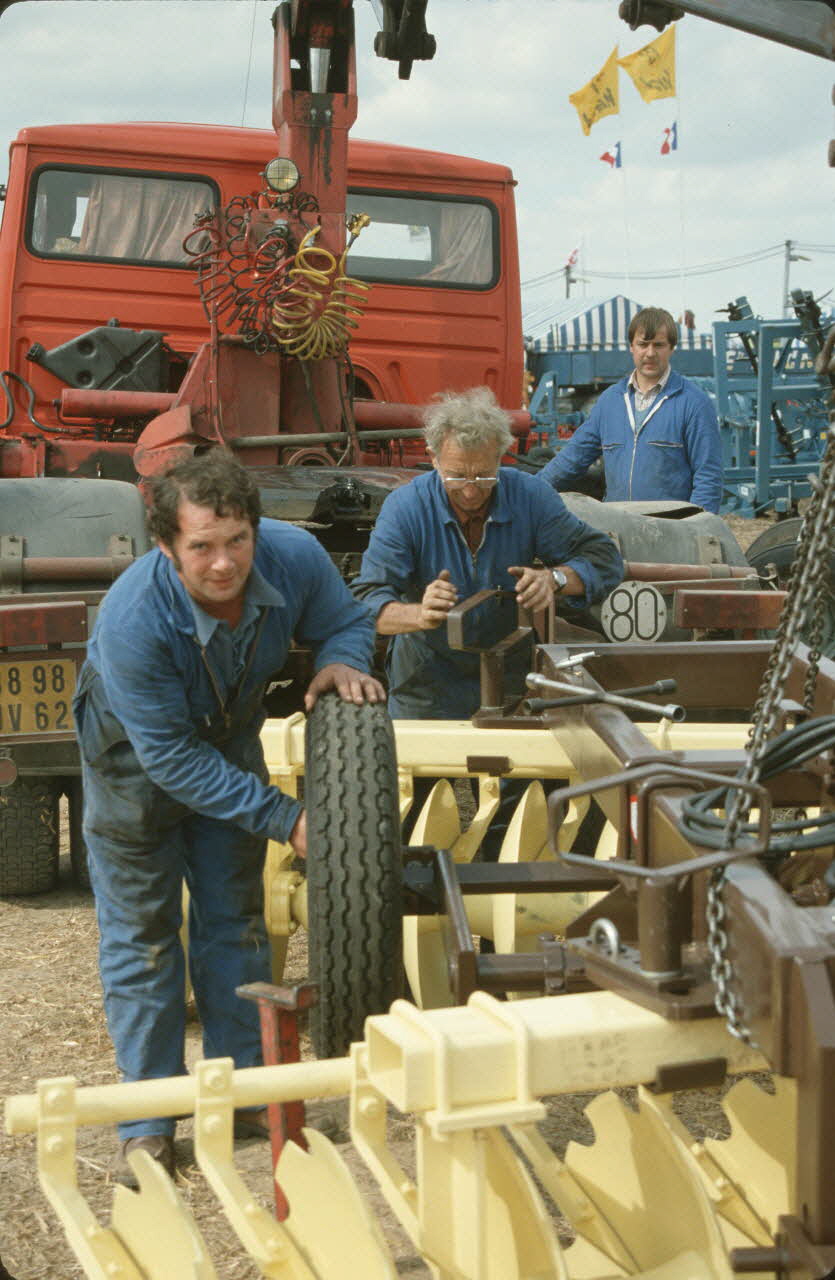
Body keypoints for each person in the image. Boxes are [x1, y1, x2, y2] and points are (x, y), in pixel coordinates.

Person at [73, 450, 383, 1184]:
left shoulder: (294, 556)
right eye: (202, 547)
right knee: (144, 939)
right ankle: (148, 1123)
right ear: (166, 545)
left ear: (256, 529)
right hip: (131, 763)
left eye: (237, 540)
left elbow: (345, 619)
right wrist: (287, 819)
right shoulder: (133, 619)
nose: (223, 564)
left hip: (228, 738)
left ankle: (248, 1098)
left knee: (234, 923)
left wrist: (340, 658)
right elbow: (170, 760)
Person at [351, 386, 623, 851]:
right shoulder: (405, 508)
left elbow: (602, 558)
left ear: (501, 457)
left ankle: (505, 886)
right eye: (457, 476)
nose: (472, 489)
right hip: (426, 684)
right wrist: (418, 613)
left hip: (510, 680)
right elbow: (364, 603)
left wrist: (555, 579)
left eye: (484, 474)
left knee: (517, 813)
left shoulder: (529, 497)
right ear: (433, 458)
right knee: (411, 815)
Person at [538, 307, 723, 512]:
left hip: (670, 525)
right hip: (619, 523)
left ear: (672, 348)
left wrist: (697, 526)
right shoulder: (610, 402)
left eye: (659, 345)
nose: (650, 353)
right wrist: (528, 491)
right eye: (643, 344)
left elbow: (708, 477)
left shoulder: (693, 403)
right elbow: (572, 458)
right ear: (631, 347)